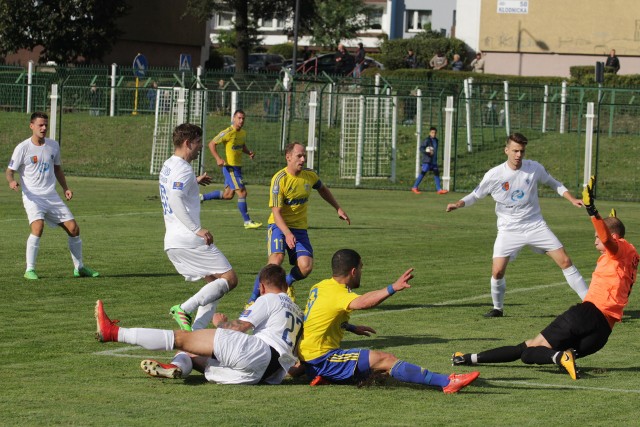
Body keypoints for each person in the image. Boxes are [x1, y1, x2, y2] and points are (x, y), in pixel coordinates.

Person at [453, 177, 639, 380]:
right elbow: (611, 239)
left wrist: (592, 209)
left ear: (614, 237)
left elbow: (607, 239)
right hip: (602, 333)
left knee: (534, 348)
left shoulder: (616, 249)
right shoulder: (630, 254)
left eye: (596, 235)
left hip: (587, 314)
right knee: (529, 352)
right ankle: (468, 358)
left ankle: (560, 358)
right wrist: (612, 223)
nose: (595, 239)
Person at [446, 133, 589, 317]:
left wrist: (572, 199)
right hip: (508, 230)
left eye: (521, 151)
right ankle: (498, 309)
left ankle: (591, 304)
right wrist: (458, 204)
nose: (518, 155)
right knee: (497, 272)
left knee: (566, 261)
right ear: (506, 150)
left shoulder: (534, 168)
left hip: (535, 225)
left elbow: (554, 183)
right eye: (515, 151)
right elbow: (475, 195)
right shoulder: (495, 175)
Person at [297, 248, 480, 393]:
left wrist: (351, 327)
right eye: (361, 268)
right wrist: (393, 288)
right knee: (385, 359)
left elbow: (318, 317)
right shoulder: (338, 293)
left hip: (308, 356)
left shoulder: (320, 286)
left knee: (376, 368)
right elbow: (363, 302)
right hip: (322, 358)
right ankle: (447, 382)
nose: (361, 271)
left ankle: (327, 376)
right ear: (353, 271)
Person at [95, 264, 304, 385]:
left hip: (258, 352)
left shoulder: (268, 298)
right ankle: (175, 367)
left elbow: (239, 327)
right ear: (285, 285)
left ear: (262, 286)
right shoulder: (298, 311)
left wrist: (221, 323)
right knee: (195, 357)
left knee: (181, 339)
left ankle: (112, 332)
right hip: (266, 374)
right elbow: (299, 356)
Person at [245, 142, 350, 305]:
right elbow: (276, 213)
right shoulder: (279, 179)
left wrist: (338, 208)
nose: (303, 159)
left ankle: (286, 284)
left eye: (304, 156)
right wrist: (287, 233)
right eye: (299, 156)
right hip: (279, 226)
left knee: (306, 266)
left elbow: (322, 189)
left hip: (299, 228)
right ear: (288, 157)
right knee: (276, 260)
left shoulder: (310, 175)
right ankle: (253, 300)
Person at [159, 123, 238, 331]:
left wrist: (194, 181)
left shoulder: (168, 165)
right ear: (187, 143)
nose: (201, 146)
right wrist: (197, 229)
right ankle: (184, 308)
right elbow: (175, 197)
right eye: (198, 143)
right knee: (229, 279)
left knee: (214, 285)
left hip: (173, 241)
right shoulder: (183, 170)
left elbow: (174, 188)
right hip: (189, 240)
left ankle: (196, 331)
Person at [6, 112, 99, 280]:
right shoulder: (23, 148)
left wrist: (65, 188)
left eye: (46, 125)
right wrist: (11, 181)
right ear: (31, 126)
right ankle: (30, 270)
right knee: (38, 227)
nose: (44, 128)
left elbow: (57, 169)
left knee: (74, 229)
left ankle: (80, 268)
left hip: (51, 196)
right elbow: (9, 171)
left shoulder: (53, 146)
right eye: (40, 125)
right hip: (33, 197)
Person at [200, 110, 262, 230]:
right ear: (233, 118)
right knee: (242, 193)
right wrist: (218, 158)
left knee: (228, 195)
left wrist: (248, 152)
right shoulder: (227, 132)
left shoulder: (243, 133)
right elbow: (211, 144)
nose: (241, 121)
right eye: (239, 118)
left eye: (243, 118)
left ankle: (201, 197)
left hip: (237, 168)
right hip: (230, 168)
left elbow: (241, 145)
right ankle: (247, 221)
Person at [411, 127, 448, 195]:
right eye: (432, 132)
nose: (433, 134)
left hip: (433, 161)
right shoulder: (427, 140)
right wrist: (427, 152)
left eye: (435, 133)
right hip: (427, 160)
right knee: (423, 173)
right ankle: (414, 187)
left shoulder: (436, 140)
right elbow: (421, 148)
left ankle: (439, 189)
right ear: (429, 133)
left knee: (436, 173)